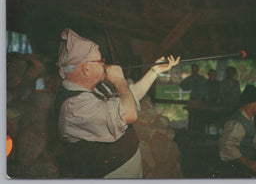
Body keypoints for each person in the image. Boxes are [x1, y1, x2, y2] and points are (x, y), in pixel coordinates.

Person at [55, 28, 180, 178]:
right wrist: (120, 80)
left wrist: (154, 71)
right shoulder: (74, 106)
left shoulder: (93, 88)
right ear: (86, 69)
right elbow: (129, 113)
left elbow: (129, 99)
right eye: (100, 61)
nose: (104, 64)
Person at [179, 64, 207, 142]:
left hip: (201, 101)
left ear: (198, 70)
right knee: (192, 119)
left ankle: (201, 137)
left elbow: (206, 89)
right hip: (193, 100)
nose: (194, 71)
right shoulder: (189, 79)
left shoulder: (202, 79)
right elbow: (182, 85)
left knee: (201, 119)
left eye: (196, 69)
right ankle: (191, 137)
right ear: (191, 70)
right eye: (193, 69)